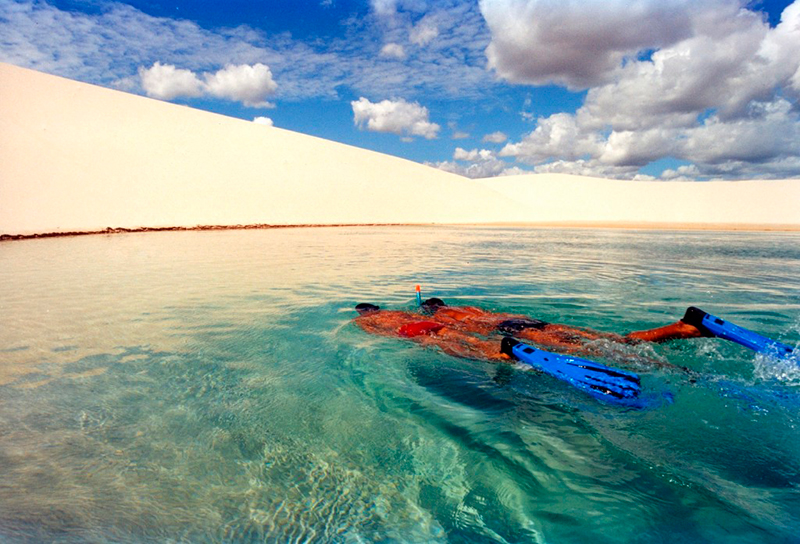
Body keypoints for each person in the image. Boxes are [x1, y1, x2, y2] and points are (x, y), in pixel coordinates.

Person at [419, 298, 709, 349]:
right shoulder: (469, 306)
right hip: (529, 320)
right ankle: (678, 329)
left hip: (512, 328)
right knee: (606, 337)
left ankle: (660, 362)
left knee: (582, 350)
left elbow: (458, 330)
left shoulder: (441, 315)